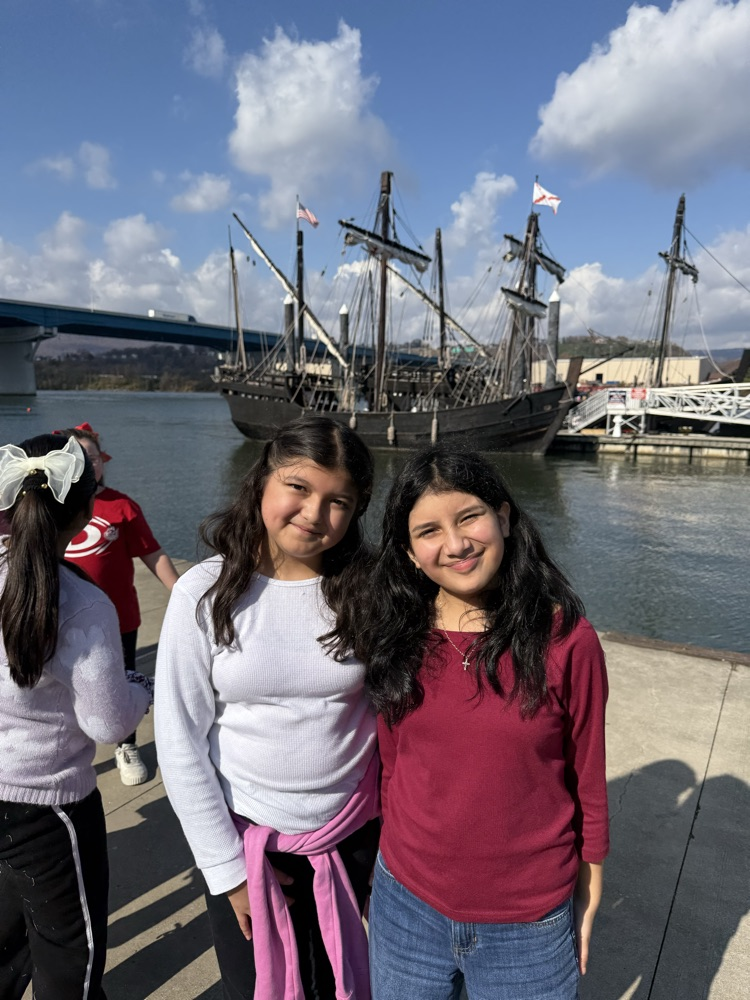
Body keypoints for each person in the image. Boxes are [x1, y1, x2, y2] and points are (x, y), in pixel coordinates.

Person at [353, 447, 609, 1000]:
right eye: (429, 530)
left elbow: (587, 771)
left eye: (469, 517)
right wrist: (381, 867)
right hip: (407, 903)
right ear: (410, 552)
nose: (456, 544)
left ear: (505, 516)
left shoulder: (566, 641)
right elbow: (392, 765)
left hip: (527, 919)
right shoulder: (399, 635)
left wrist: (591, 880)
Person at [155, 416, 380, 1000]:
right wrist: (227, 872)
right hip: (247, 845)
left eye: (339, 501)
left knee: (345, 984)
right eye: (298, 487)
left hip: (355, 837)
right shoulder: (203, 594)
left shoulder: (371, 591)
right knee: (254, 985)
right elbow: (179, 741)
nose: (313, 513)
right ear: (261, 484)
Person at [0, 433, 152, 1000]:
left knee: (8, 937)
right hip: (52, 807)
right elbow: (110, 724)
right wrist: (142, 686)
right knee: (71, 954)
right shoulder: (83, 604)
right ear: (88, 509)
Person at [56, 422, 179, 786]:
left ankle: (126, 745)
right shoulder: (49, 509)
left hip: (117, 617)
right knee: (60, 685)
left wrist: (184, 594)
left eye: (92, 457)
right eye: (76, 458)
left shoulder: (122, 506)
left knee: (118, 682)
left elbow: (153, 555)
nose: (86, 464)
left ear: (102, 462)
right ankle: (65, 750)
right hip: (58, 613)